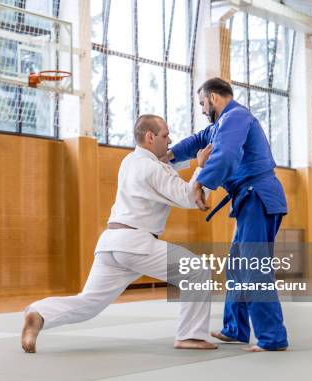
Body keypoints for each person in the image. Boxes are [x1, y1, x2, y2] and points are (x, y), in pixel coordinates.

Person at [21, 114, 215, 353]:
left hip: (111, 244)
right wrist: (203, 167)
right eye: (165, 136)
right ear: (150, 136)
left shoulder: (130, 161)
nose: (170, 140)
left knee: (89, 302)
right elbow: (188, 197)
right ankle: (191, 336)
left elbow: (165, 165)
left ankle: (39, 313)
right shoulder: (152, 169)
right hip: (136, 244)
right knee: (196, 270)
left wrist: (186, 159)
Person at [167, 77, 289, 352]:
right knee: (237, 266)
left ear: (213, 97)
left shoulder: (235, 117)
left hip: (258, 195)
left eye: (202, 103)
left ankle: (272, 338)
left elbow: (227, 154)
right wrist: (165, 156)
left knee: (254, 267)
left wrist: (200, 182)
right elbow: (196, 142)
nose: (201, 109)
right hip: (249, 198)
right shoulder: (219, 126)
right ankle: (235, 328)